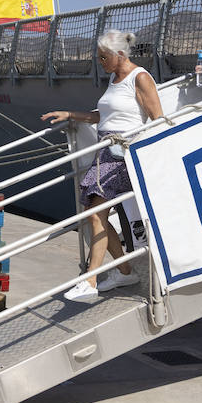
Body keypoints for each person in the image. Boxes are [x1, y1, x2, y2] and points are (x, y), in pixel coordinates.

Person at [42, 29, 163, 302]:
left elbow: (157, 119)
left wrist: (138, 150)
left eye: (104, 57)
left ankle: (90, 280)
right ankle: (124, 270)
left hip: (122, 156)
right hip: (104, 153)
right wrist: (71, 114)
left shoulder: (139, 78)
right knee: (93, 215)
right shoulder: (114, 77)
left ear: (120, 55)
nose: (101, 62)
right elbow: (103, 116)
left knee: (96, 214)